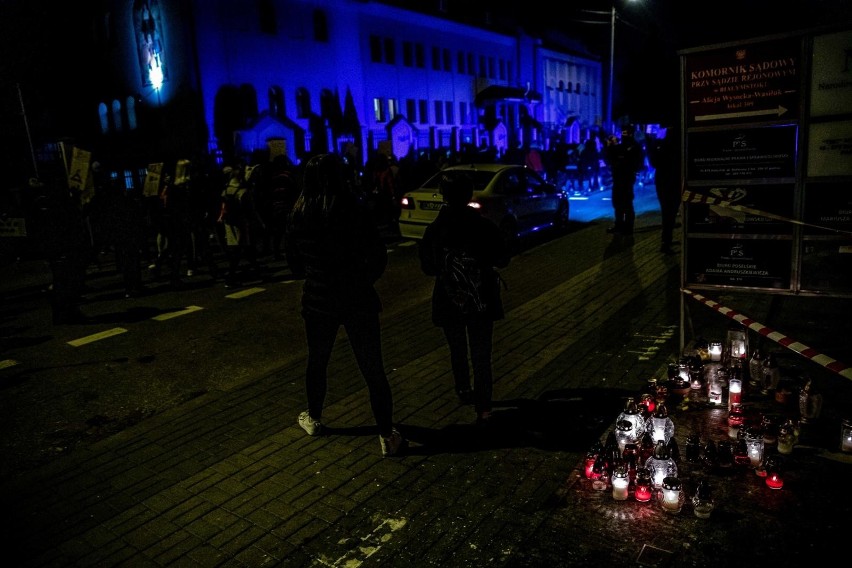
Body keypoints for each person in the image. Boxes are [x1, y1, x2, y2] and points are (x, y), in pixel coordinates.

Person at [285, 153, 406, 457]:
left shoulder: (298, 212)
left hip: (317, 298)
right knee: (372, 367)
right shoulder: (354, 208)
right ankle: (386, 434)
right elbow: (378, 255)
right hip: (356, 297)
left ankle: (313, 418)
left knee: (318, 360)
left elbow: (294, 263)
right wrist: (361, 280)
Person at [418, 173, 511, 427]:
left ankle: (463, 390)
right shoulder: (483, 226)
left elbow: (427, 267)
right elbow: (502, 258)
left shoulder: (435, 230)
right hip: (481, 298)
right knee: (481, 354)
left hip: (450, 298)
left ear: (443, 196)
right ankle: (484, 408)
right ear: (469, 194)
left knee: (456, 349)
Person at [647, 126, 682, 254]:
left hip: (663, 181)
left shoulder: (660, 145)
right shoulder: (678, 146)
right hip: (674, 181)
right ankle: (666, 242)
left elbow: (654, 162)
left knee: (667, 213)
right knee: (670, 213)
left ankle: (666, 240)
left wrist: (651, 145)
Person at [604, 126, 644, 235]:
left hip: (626, 178)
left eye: (625, 132)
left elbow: (636, 162)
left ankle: (627, 227)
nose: (624, 134)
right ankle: (619, 225)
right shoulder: (622, 146)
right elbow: (610, 158)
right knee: (617, 202)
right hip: (618, 178)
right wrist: (609, 146)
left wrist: (625, 165)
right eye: (623, 132)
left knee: (626, 202)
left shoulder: (634, 147)